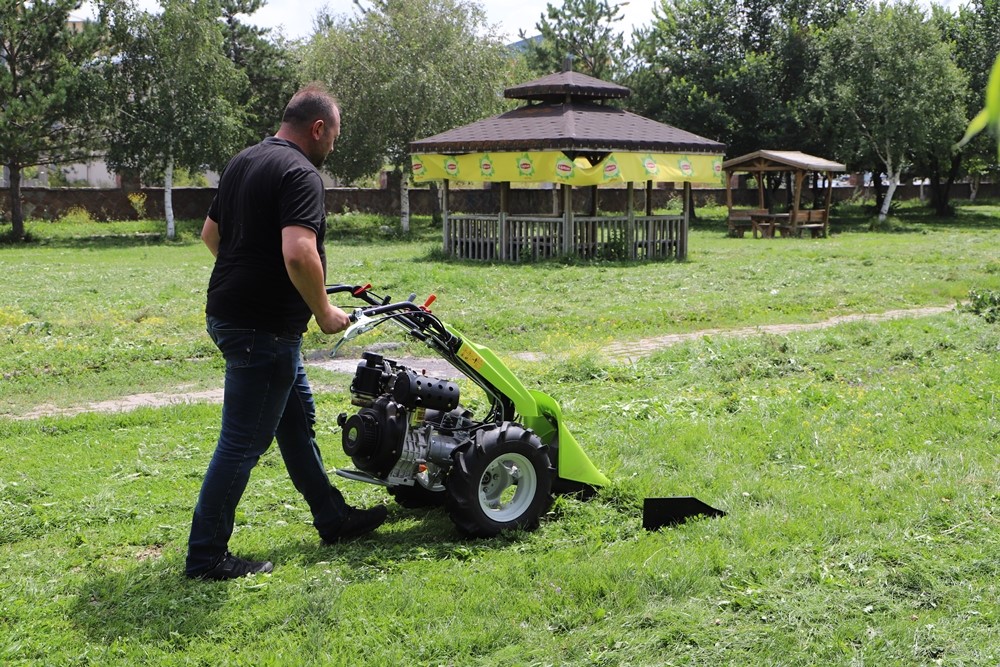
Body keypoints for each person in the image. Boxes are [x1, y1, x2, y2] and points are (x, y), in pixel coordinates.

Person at [186, 84, 388, 581]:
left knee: (295, 424)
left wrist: (255, 276)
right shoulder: (300, 173)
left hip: (231, 314)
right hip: (264, 330)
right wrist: (322, 311)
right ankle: (206, 555)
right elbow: (299, 253)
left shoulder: (243, 162)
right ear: (318, 129)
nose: (333, 148)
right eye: (334, 137)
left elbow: (211, 235)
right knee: (242, 442)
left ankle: (333, 517)